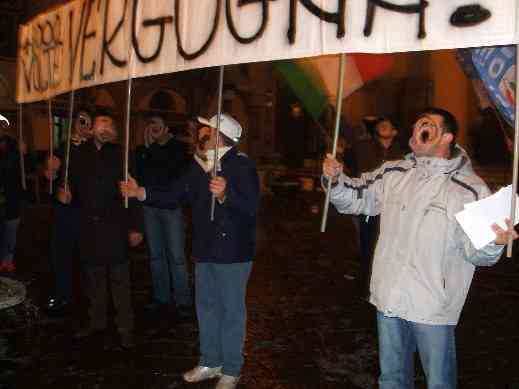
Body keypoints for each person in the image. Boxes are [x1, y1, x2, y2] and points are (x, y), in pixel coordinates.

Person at [323, 107, 518, 388]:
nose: (416, 131)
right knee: (391, 380)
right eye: (414, 126)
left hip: (433, 307)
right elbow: (356, 197)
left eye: (425, 126)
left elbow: (476, 253)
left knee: (438, 383)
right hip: (389, 299)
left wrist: (493, 243)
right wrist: (335, 179)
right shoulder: (394, 172)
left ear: (447, 137)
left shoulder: (469, 189)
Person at [121, 113, 259, 389]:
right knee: (206, 307)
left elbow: (251, 209)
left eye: (206, 130)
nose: (200, 133)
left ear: (219, 135)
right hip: (205, 250)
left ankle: (231, 368)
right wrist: (142, 193)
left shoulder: (241, 166)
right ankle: (210, 361)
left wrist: (225, 196)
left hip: (233, 253)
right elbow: (174, 193)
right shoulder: (199, 165)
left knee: (231, 311)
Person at [57, 108, 143, 349]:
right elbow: (68, 187)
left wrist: (136, 227)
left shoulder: (124, 154)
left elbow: (134, 192)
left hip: (116, 225)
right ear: (92, 129)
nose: (106, 128)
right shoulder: (77, 154)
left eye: (110, 124)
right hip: (88, 226)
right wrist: (63, 193)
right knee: (93, 280)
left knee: (120, 281)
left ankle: (125, 327)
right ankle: (97, 323)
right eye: (102, 123)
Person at [135, 114, 192, 318]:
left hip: (171, 208)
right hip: (149, 206)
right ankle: (161, 297)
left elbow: (170, 171)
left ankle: (183, 300)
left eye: (157, 123)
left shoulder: (177, 149)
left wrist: (152, 149)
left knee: (176, 256)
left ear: (166, 128)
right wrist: (147, 148)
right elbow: (140, 174)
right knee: (156, 255)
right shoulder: (145, 150)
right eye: (150, 123)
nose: (152, 126)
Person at [349, 116, 405, 299]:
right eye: (381, 123)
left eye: (389, 123)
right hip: (370, 204)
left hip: (394, 207)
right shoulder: (363, 147)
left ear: (395, 132)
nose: (384, 124)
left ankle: (389, 286)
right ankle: (366, 286)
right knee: (368, 245)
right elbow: (351, 165)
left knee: (391, 247)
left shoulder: (403, 152)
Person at [44, 108, 93, 314]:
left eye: (88, 122)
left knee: (86, 256)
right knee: (61, 254)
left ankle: (87, 296)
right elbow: (50, 179)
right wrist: (51, 175)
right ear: (73, 123)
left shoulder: (94, 149)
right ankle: (63, 294)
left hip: (87, 210)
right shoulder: (62, 148)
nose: (85, 125)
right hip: (65, 209)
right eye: (81, 121)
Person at [0, 130, 23, 274]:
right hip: (6, 200)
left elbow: (19, 172)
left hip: (12, 200)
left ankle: (7, 260)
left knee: (10, 232)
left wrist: (21, 153)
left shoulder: (15, 153)